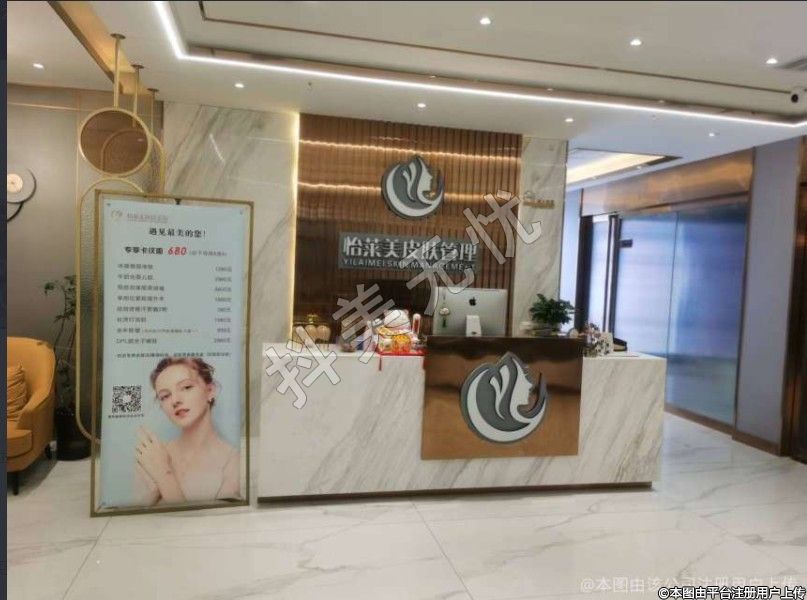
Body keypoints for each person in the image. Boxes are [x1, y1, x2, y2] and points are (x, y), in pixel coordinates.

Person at [135, 356, 240, 505]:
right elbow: (135, 514)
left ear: (210, 391)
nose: (175, 400)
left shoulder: (234, 462)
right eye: (165, 396)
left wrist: (163, 473)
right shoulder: (153, 455)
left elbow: (206, 519)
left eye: (186, 387)